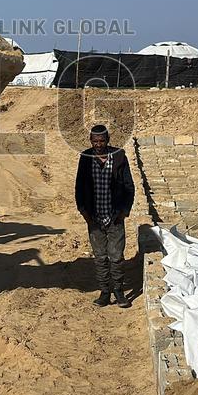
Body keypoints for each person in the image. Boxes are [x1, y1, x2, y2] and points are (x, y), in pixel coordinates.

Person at [74, 124, 135, 307]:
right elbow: (79, 187)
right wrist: (84, 212)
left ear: (108, 140)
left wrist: (124, 212)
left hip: (114, 216)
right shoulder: (85, 158)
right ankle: (104, 292)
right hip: (94, 217)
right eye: (95, 141)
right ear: (90, 141)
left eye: (101, 141)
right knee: (100, 257)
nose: (98, 144)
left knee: (116, 257)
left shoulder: (118, 157)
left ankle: (118, 290)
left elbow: (129, 186)